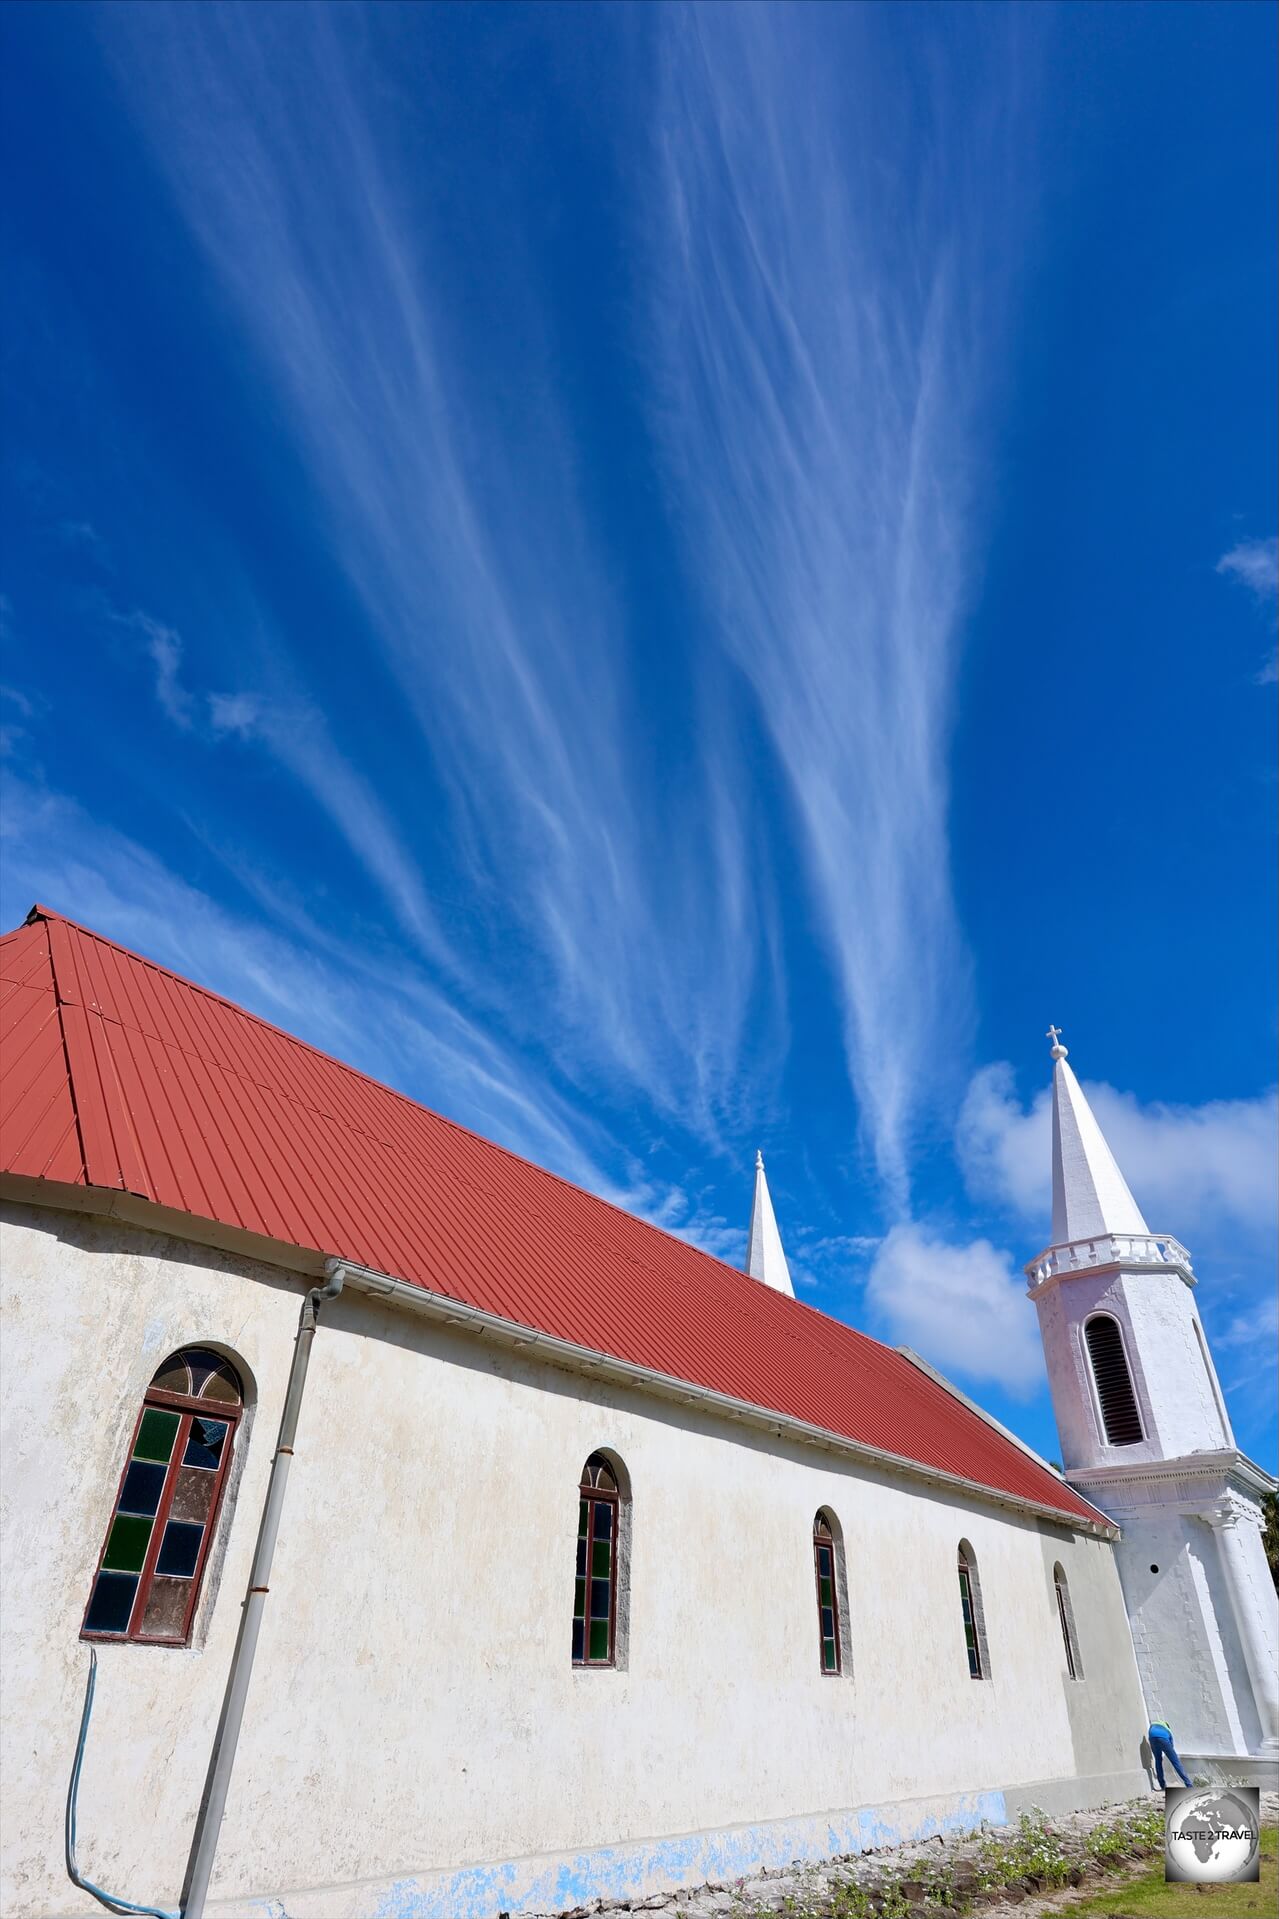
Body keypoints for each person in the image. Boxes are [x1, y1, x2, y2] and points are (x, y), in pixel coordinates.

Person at [1148, 1717, 1192, 1789]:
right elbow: (1171, 1745)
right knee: (1176, 1762)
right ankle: (1189, 1784)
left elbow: (1151, 1737)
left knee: (1158, 1761)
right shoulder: (1168, 1730)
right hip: (1163, 1739)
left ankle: (1162, 1785)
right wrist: (1169, 1753)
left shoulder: (1153, 1724)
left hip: (1152, 1738)